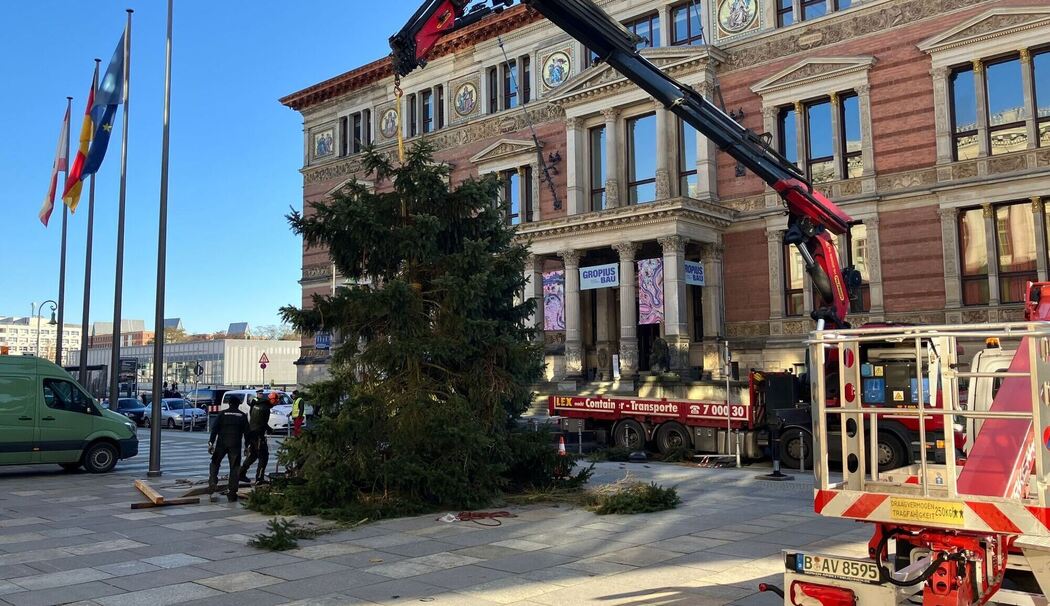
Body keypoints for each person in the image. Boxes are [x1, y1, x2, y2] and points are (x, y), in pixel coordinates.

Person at [208, 397, 248, 502]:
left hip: (221, 443)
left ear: (229, 403)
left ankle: (212, 481)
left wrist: (211, 443)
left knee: (215, 462)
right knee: (234, 468)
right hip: (235, 445)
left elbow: (214, 429)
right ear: (238, 404)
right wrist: (247, 446)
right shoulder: (242, 415)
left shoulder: (222, 414)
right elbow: (247, 433)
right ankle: (232, 493)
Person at [240, 391, 274, 484]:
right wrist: (269, 429)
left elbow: (255, 419)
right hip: (258, 435)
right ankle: (259, 478)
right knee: (264, 457)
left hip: (252, 433)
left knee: (253, 455)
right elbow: (262, 422)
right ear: (272, 400)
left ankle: (241, 473)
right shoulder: (265, 408)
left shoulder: (257, 405)